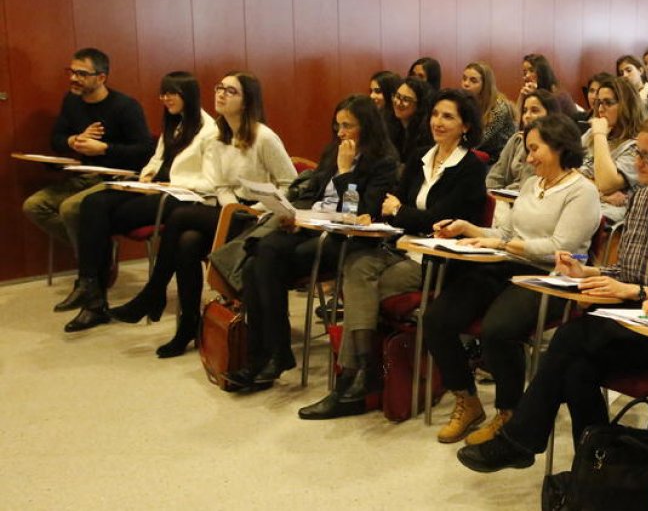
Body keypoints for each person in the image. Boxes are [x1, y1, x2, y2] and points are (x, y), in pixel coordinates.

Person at [455, 110, 648, 470]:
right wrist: (588, 270)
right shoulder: (641, 201)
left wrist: (633, 291)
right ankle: (594, 468)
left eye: (647, 156)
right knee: (577, 370)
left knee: (570, 339)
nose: (637, 162)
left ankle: (521, 439)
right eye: (638, 152)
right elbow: (627, 271)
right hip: (628, 318)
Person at [408, 114, 601, 441]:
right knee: (437, 318)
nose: (528, 157)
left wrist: (502, 243)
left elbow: (560, 248)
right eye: (528, 149)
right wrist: (468, 229)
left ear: (559, 146)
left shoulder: (582, 191)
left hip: (550, 277)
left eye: (535, 149)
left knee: (498, 330)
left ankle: (510, 413)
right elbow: (506, 231)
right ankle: (466, 399)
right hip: (507, 264)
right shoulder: (531, 184)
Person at [294, 89, 487, 411]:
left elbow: (440, 218)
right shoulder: (420, 158)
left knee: (363, 285)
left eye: (448, 116)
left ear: (465, 126)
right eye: (436, 114)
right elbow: (387, 205)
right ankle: (361, 374)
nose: (437, 122)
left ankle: (353, 376)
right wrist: (353, 180)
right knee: (356, 265)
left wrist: (402, 211)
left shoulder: (470, 168)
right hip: (400, 247)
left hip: (437, 261)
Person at [110, 72, 296, 356]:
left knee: (181, 216)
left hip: (259, 218)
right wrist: (230, 206)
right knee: (187, 242)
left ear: (247, 102)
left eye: (231, 91)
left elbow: (291, 184)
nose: (221, 94)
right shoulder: (219, 137)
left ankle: (154, 292)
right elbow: (220, 185)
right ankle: (187, 325)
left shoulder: (263, 137)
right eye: (219, 88)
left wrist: (250, 209)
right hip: (232, 211)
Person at [228, 94, 398, 391]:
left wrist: (346, 173)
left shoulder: (383, 162)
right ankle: (266, 356)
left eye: (348, 126)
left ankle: (271, 357)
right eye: (338, 125)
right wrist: (295, 215)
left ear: (367, 127)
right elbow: (319, 196)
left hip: (347, 239)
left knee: (264, 257)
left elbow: (360, 213)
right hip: (315, 225)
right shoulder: (333, 149)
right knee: (257, 258)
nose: (340, 133)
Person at [62, 72, 217, 332]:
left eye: (171, 93)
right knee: (93, 203)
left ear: (187, 95)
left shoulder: (209, 130)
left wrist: (171, 185)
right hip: (156, 188)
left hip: (182, 196)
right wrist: (147, 174)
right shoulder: (174, 121)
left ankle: (94, 301)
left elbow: (211, 182)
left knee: (102, 219)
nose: (165, 99)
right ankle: (89, 284)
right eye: (163, 93)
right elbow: (158, 158)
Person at [26, 47, 154, 301]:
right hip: (82, 176)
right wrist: (74, 141)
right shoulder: (71, 102)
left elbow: (145, 151)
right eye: (71, 72)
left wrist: (104, 147)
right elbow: (57, 138)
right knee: (34, 205)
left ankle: (91, 277)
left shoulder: (125, 107)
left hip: (117, 179)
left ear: (101, 77)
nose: (74, 78)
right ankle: (102, 251)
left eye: (82, 74)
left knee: (71, 209)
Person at [581, 76, 644, 222]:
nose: (601, 109)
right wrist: (601, 194)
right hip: (582, 200)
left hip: (607, 216)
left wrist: (600, 135)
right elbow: (564, 172)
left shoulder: (637, 145)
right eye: (599, 103)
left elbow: (606, 183)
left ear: (626, 105)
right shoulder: (592, 134)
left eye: (608, 103)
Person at [487, 89, 559, 192]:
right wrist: (490, 196)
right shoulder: (517, 139)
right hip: (503, 197)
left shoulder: (553, 146)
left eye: (534, 110)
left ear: (550, 114)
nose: (527, 116)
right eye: (525, 111)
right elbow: (496, 174)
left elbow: (527, 185)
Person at [461, 62, 516, 161]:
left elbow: (479, 141)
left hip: (500, 159)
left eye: (473, 81)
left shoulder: (498, 108)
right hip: (480, 154)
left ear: (485, 85)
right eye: (464, 78)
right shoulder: (467, 102)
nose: (466, 84)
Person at [390, 76, 435, 171]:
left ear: (420, 105)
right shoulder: (389, 124)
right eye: (397, 96)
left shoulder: (427, 133)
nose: (398, 102)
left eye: (405, 99)